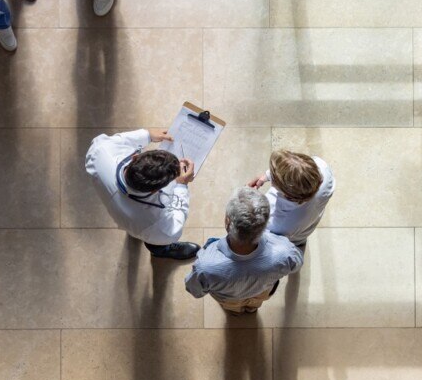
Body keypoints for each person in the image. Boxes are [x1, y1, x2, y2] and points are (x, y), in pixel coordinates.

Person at [184, 187, 304, 314]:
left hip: (229, 299)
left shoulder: (205, 265)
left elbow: (195, 290)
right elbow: (297, 263)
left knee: (233, 308)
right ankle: (252, 309)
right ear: (264, 223)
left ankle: (235, 312)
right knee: (255, 304)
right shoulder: (284, 252)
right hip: (261, 292)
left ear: (227, 222)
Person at [84, 128, 199, 260]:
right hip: (145, 229)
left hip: (123, 216)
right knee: (156, 241)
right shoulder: (157, 224)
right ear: (154, 190)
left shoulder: (100, 151)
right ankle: (160, 250)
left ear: (135, 157)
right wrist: (181, 186)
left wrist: (146, 135)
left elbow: (111, 142)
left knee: (137, 228)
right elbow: (174, 230)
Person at [247, 150, 335, 249]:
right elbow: (298, 171)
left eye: (274, 178)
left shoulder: (276, 223)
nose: (272, 176)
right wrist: (266, 176)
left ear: (287, 194)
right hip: (307, 225)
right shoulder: (323, 168)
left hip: (292, 239)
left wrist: (248, 203)